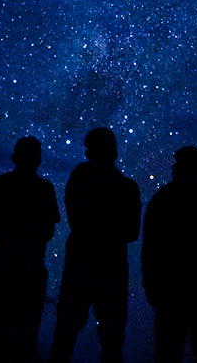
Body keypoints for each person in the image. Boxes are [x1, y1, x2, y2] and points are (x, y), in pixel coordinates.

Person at [48, 127, 142, 363]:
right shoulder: (126, 188)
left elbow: (82, 224)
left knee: (66, 337)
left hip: (84, 265)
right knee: (109, 340)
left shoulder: (78, 183)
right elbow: (130, 232)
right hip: (108, 268)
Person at [142, 146, 197, 363]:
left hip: (172, 292)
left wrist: (152, 286)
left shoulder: (161, 200)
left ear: (175, 168)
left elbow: (149, 251)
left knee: (168, 353)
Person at [0, 136, 60, 363]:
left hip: (6, 263)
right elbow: (48, 230)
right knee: (24, 333)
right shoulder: (44, 188)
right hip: (29, 266)